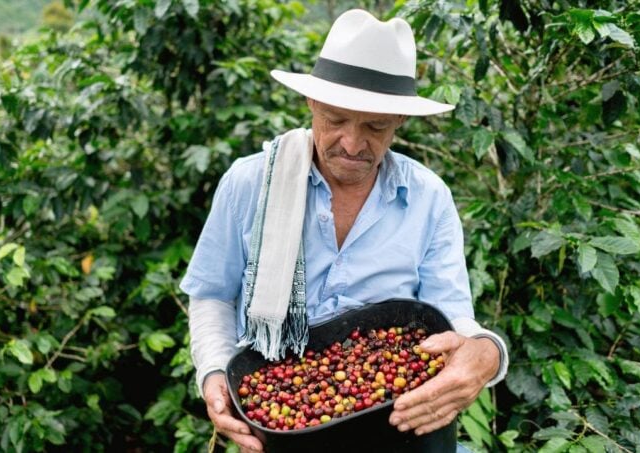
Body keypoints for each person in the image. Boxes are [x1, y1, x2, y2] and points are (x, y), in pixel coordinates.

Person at [180, 9, 508, 452]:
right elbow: (213, 294)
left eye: (375, 126)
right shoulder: (250, 183)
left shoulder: (428, 197)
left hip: (397, 424)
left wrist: (487, 351)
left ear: (399, 121)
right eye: (335, 119)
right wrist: (216, 373)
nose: (352, 144)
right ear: (311, 104)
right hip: (283, 430)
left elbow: (450, 316)